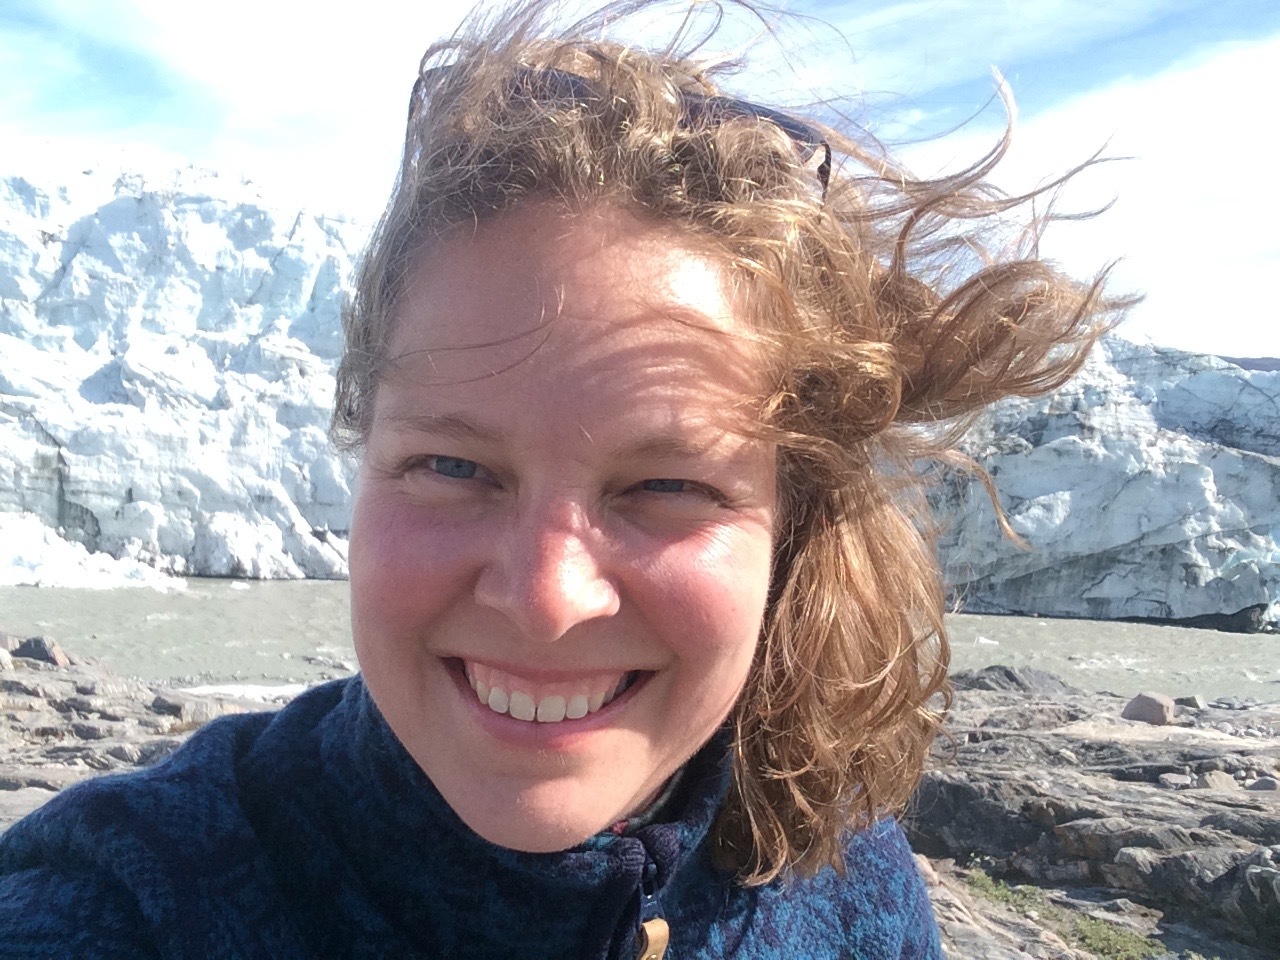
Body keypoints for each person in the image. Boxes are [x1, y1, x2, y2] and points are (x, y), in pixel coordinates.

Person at [0, 1, 1122, 956]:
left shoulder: (847, 879)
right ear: (359, 451)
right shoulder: (130, 899)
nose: (545, 597)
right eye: (452, 465)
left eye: (666, 486)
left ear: (790, 521)